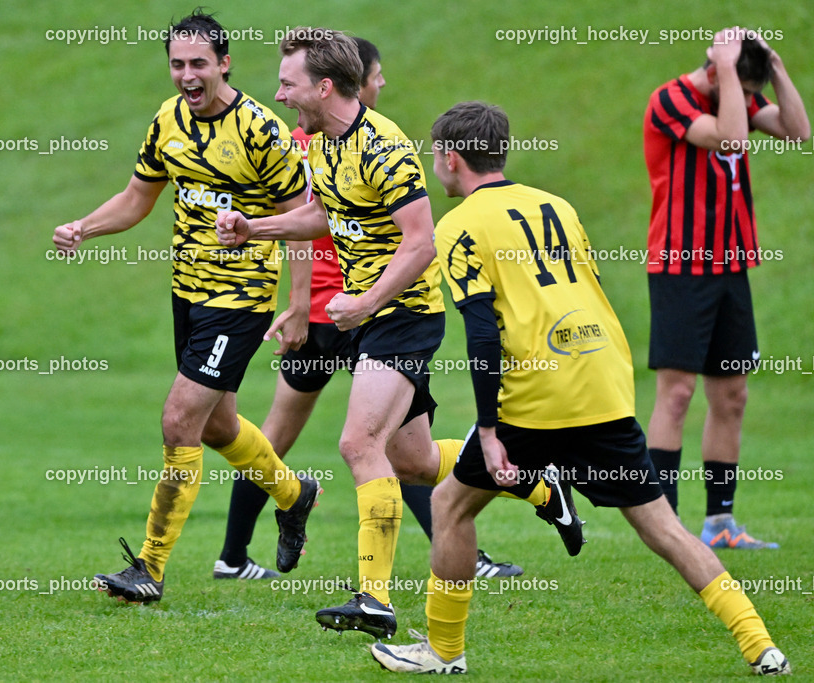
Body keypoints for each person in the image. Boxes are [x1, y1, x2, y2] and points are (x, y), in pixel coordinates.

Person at [370, 100, 790, 676]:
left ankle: (443, 652)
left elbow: (483, 331)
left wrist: (490, 432)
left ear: (450, 158)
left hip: (537, 396)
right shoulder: (557, 206)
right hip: (602, 381)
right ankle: (760, 642)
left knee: (449, 505)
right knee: (663, 527)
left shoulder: (459, 225)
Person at [217, 28, 581, 640]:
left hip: (403, 316)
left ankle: (374, 599)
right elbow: (323, 215)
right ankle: (541, 487)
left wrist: (366, 302)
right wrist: (255, 227)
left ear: (323, 86)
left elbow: (421, 242)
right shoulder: (319, 143)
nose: (278, 93)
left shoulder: (384, 148)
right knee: (411, 461)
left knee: (359, 445)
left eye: (287, 82)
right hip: (371, 317)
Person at [52, 9, 321, 605]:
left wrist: (298, 305)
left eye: (198, 63)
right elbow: (135, 198)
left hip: (240, 299)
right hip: (188, 293)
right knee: (220, 425)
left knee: (180, 420)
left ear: (224, 63)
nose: (186, 75)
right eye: (177, 64)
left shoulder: (261, 130)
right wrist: (84, 228)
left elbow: (306, 221)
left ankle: (149, 566)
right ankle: (293, 494)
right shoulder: (167, 121)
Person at [644, 28, 809, 549]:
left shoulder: (737, 91)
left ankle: (720, 524)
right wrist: (730, 70)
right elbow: (733, 139)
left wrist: (775, 67)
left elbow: (799, 132)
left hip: (730, 265)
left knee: (732, 395)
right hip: (679, 264)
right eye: (735, 83)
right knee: (677, 393)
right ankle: (664, 523)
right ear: (714, 70)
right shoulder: (670, 98)